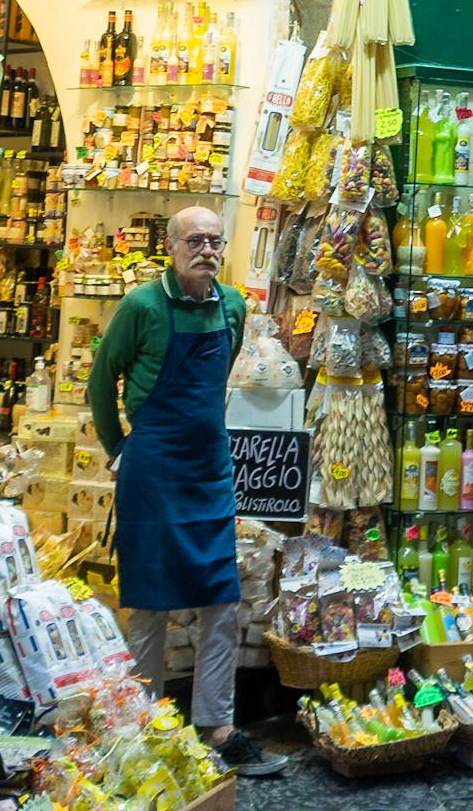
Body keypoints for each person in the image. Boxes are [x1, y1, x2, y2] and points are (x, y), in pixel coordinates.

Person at [89, 203, 287, 776]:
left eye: (215, 241)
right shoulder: (141, 306)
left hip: (208, 469)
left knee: (221, 598)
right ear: (172, 249)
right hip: (151, 467)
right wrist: (118, 446)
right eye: (195, 240)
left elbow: (219, 371)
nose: (207, 250)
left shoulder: (231, 306)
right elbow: (104, 378)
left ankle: (218, 726)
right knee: (150, 600)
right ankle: (144, 724)